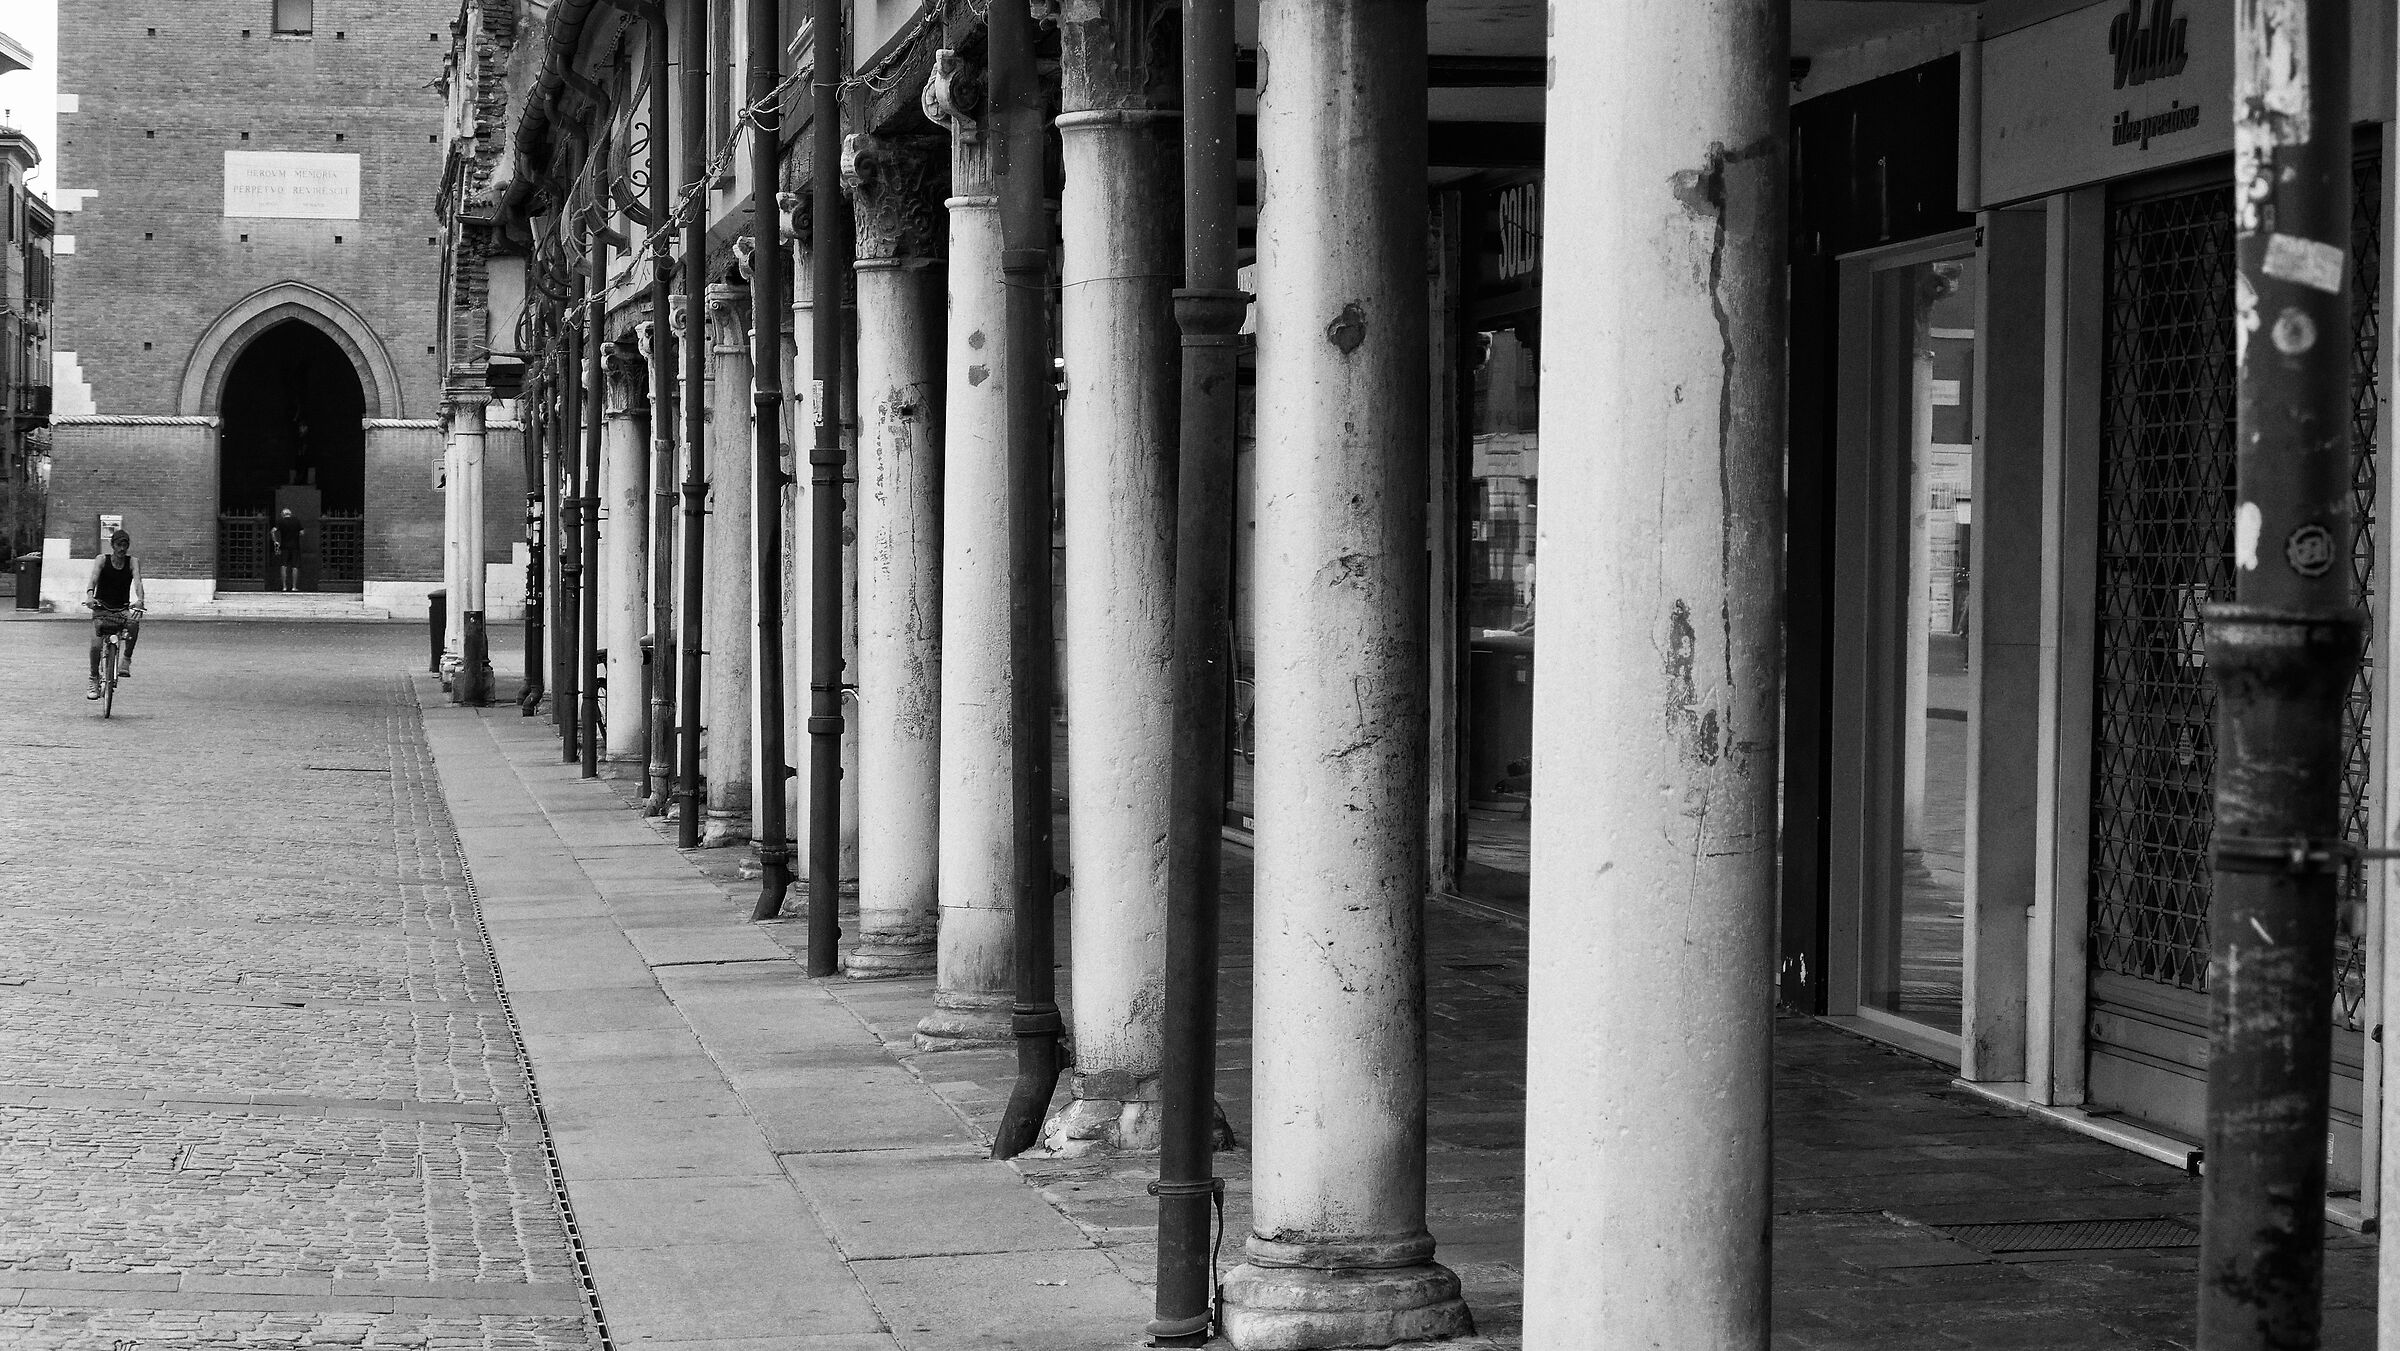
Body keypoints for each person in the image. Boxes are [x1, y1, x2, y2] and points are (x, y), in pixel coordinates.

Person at [85, 529, 145, 699]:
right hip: (101, 607)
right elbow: (93, 579)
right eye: (119, 545)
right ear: (112, 545)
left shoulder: (133, 562)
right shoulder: (102, 560)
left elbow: (138, 581)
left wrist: (140, 599)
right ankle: (93, 678)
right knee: (96, 646)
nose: (122, 549)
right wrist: (90, 596)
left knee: (134, 623)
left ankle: (126, 660)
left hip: (122, 609)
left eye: (125, 545)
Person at [271, 508, 302, 592]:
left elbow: (273, 531)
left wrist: (275, 541)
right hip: (295, 546)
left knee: (283, 565)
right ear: (290, 514)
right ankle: (294, 586)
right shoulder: (296, 521)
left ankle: (284, 586)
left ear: (283, 514)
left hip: (284, 546)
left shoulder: (281, 521)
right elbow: (301, 532)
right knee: (295, 566)